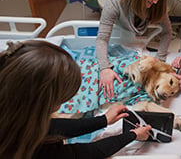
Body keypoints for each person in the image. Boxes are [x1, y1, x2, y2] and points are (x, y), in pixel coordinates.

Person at [0, 40, 151, 159]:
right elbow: (81, 153)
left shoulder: (14, 111)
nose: (60, 106)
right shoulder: (23, 148)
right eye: (60, 100)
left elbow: (51, 127)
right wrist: (132, 135)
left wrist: (103, 120)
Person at [96, 0, 172, 99]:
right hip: (116, 44)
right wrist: (104, 68)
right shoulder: (116, 2)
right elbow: (102, 38)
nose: (156, 1)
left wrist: (159, 61)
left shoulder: (158, 5)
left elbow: (167, 33)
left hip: (136, 47)